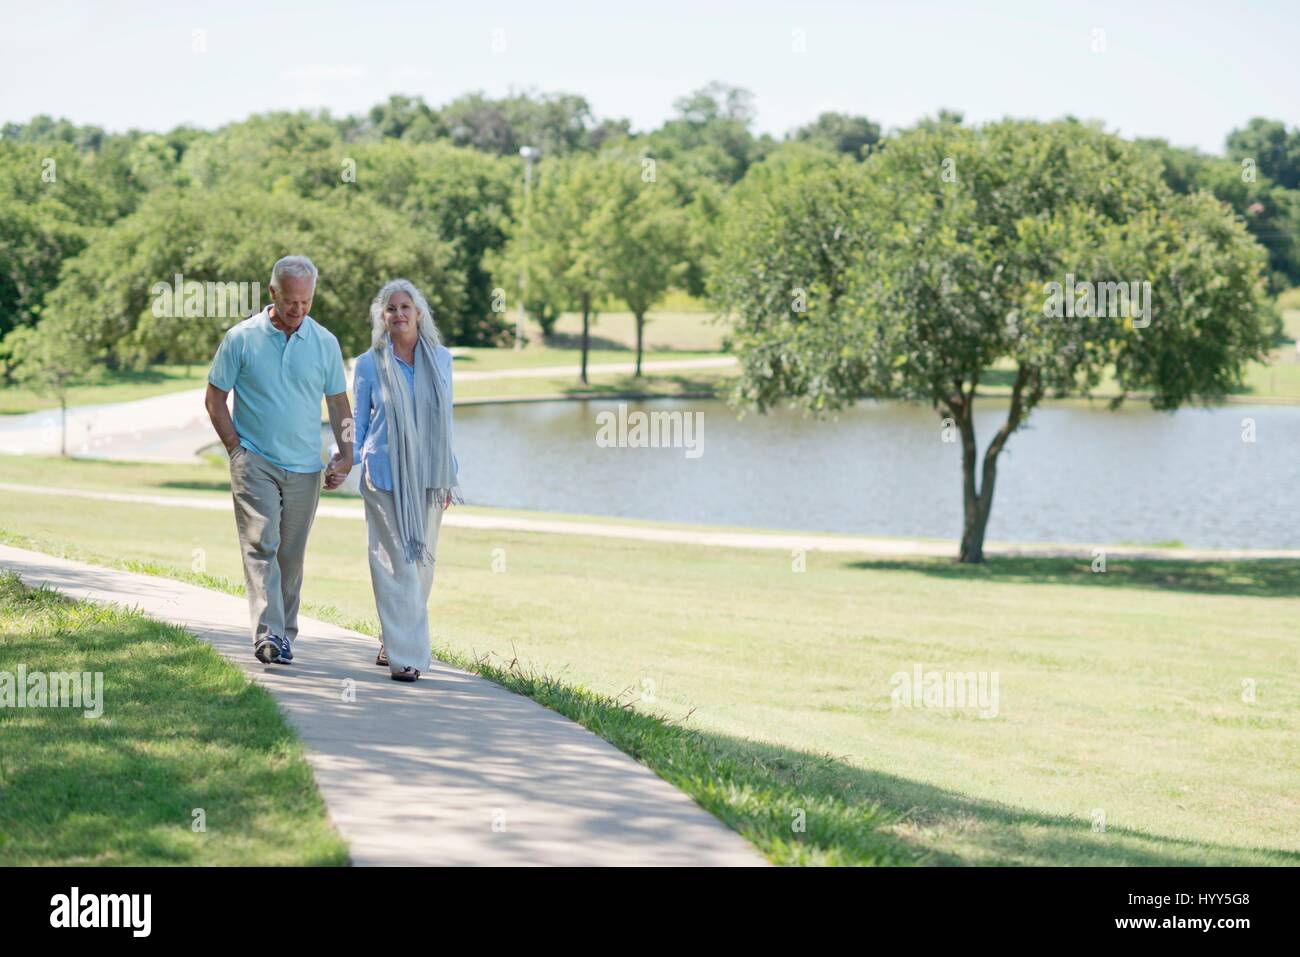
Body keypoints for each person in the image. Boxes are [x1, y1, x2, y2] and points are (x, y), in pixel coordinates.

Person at [204, 255, 354, 665]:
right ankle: (268, 634)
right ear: (272, 293)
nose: (298, 310)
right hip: (256, 459)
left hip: (305, 467)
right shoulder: (241, 338)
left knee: (290, 555)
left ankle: (285, 635)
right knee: (262, 542)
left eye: (306, 302)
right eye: (291, 301)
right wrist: (236, 449)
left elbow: (339, 403)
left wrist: (347, 454)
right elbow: (215, 398)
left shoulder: (324, 342)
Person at [352, 279, 462, 682]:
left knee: (420, 567)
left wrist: (449, 472)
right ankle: (407, 658)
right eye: (391, 308)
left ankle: (392, 638)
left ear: (419, 313)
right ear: (382, 317)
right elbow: (359, 423)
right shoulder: (368, 364)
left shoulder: (442, 360)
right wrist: (344, 461)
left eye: (405, 307)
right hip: (382, 475)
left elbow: (445, 422)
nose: (398, 314)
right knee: (395, 563)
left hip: (430, 478)